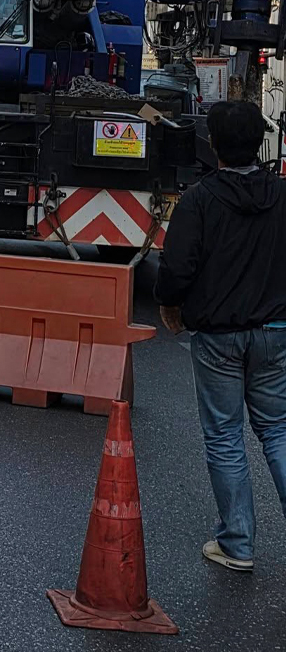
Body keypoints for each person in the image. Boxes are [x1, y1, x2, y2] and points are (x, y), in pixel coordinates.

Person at [155, 100, 286, 573]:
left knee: (226, 436)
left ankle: (237, 543)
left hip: (217, 336)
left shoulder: (199, 200)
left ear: (213, 145)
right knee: (278, 430)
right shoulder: (281, 195)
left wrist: (170, 306)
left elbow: (176, 268)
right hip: (275, 331)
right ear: (260, 143)